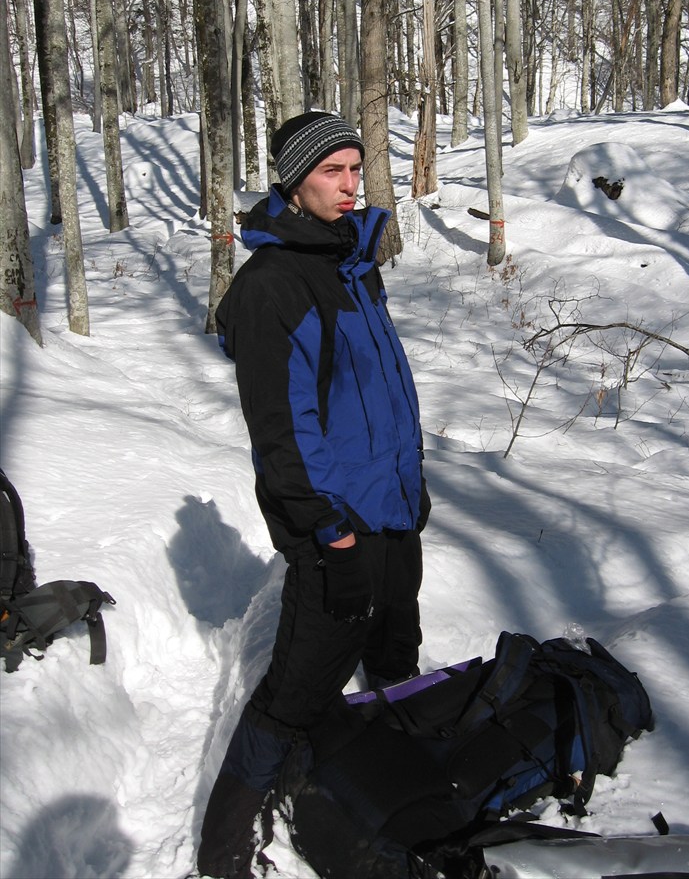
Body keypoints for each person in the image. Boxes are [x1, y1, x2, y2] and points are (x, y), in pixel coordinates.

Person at [197, 111, 430, 879]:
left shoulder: (352, 266)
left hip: (392, 513)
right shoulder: (274, 286)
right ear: (295, 183)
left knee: (396, 656)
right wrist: (327, 529)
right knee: (296, 691)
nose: (350, 184)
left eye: (355, 170)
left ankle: (393, 794)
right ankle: (225, 851)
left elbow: (379, 395)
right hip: (338, 529)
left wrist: (411, 487)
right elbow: (283, 430)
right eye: (333, 171)